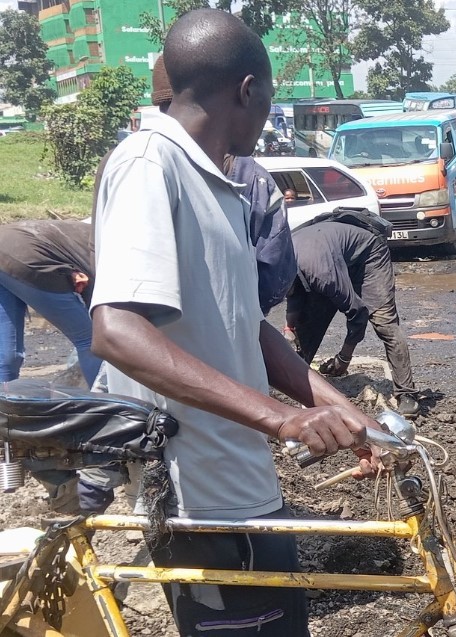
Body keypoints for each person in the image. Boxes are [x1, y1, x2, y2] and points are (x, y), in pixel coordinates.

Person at [89, 10, 380, 634]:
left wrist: (345, 414)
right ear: (248, 90)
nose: (269, 114)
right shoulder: (149, 163)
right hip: (197, 491)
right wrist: (286, 419)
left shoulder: (217, 185)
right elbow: (116, 329)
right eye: (270, 99)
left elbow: (244, 326)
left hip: (239, 480)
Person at [285, 211, 419, 417]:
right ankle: (298, 381)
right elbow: (295, 295)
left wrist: (344, 358)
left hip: (368, 254)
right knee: (308, 322)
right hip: (328, 253)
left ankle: (407, 394)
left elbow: (357, 311)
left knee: (385, 323)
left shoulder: (323, 276)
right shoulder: (280, 262)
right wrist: (289, 328)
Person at [0, 220, 99, 385]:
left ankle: (4, 403)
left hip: (10, 241)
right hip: (28, 257)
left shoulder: (98, 231)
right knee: (91, 341)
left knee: (7, 354)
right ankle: (108, 404)